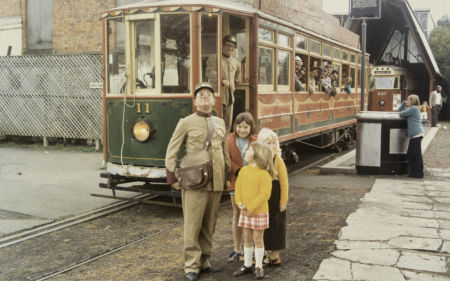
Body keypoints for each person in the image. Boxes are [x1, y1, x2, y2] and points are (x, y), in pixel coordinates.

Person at [165, 82, 230, 281]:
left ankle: (205, 261)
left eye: (208, 95)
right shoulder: (185, 122)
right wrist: (171, 176)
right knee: (193, 224)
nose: (204, 98)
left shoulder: (219, 123)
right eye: (200, 95)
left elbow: (224, 151)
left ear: (213, 100)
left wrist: (228, 175)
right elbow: (172, 149)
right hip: (194, 181)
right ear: (195, 101)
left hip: (217, 180)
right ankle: (191, 266)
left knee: (210, 223)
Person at [233, 142, 274, 279]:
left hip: (259, 212)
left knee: (258, 239)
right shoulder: (243, 171)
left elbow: (264, 195)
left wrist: (250, 208)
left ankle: (258, 266)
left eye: (250, 149)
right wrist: (239, 203)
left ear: (257, 155)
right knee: (247, 238)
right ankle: (247, 264)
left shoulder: (264, 174)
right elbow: (237, 188)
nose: (247, 150)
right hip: (245, 211)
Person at [225, 112, 257, 263]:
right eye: (239, 126)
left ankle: (248, 248)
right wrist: (237, 170)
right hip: (235, 180)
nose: (242, 130)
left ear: (251, 128)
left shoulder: (255, 141)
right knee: (237, 213)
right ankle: (237, 248)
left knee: (250, 214)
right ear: (235, 127)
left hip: (251, 183)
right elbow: (226, 158)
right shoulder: (230, 140)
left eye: (246, 127)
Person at [257, 128, 289, 267]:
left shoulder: (278, 161)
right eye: (266, 143)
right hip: (262, 197)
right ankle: (263, 253)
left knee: (276, 226)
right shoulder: (258, 161)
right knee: (262, 226)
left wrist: (283, 202)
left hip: (275, 197)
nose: (270, 146)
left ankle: (274, 256)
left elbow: (284, 183)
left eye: (272, 143)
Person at [206, 34, 241, 134]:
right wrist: (221, 80)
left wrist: (235, 83)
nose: (230, 48)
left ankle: (225, 148)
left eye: (232, 46)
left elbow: (238, 72)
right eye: (228, 45)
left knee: (227, 124)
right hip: (217, 96)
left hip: (230, 97)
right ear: (222, 45)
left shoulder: (234, 61)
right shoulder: (214, 58)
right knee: (216, 124)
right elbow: (210, 73)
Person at [398, 94, 424, 178]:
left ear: (412, 101)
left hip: (416, 135)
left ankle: (418, 173)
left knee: (415, 154)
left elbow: (401, 114)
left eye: (408, 100)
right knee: (412, 154)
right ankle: (415, 172)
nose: (407, 101)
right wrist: (403, 103)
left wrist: (403, 104)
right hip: (415, 135)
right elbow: (401, 111)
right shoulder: (413, 109)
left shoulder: (413, 109)